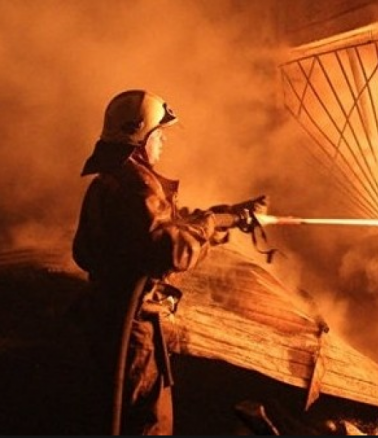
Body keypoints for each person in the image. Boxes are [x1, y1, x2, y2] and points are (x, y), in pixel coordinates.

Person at [72, 89, 265, 435]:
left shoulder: (110, 179)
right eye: (158, 134)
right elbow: (172, 250)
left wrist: (225, 217)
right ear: (140, 137)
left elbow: (159, 228)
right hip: (132, 331)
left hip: (110, 321)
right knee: (146, 423)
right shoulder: (136, 186)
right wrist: (210, 224)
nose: (163, 141)